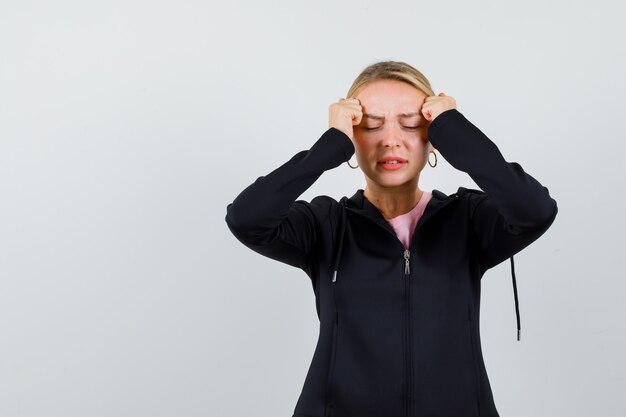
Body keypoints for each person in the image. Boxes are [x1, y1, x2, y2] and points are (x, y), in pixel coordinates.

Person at [224, 61, 558, 417]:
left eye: (411, 123)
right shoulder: (325, 225)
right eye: (370, 125)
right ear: (353, 139)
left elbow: (535, 210)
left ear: (433, 140)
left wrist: (454, 128)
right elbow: (246, 218)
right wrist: (330, 146)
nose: (391, 140)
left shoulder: (469, 219)